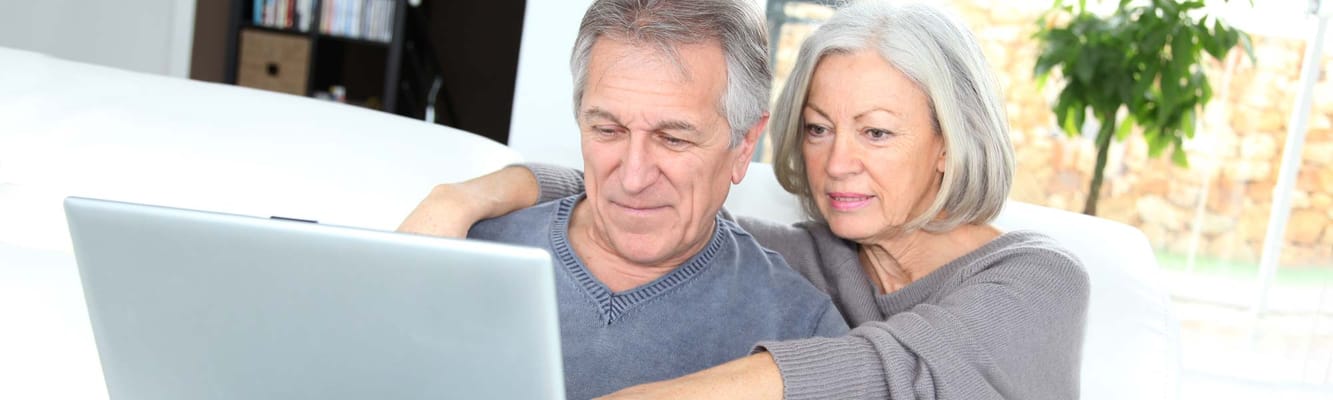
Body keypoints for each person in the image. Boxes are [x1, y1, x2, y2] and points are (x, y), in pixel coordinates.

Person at [402, 1, 1090, 399]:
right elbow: (659, 197)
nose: (836, 163)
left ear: (950, 141)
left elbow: (889, 372)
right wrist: (470, 196)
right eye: (817, 128)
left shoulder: (1035, 278)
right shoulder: (809, 254)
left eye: (877, 132)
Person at [401, 0, 848, 399]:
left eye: (673, 139)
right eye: (607, 130)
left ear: (745, 143)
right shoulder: (456, 245)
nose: (633, 178)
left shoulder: (802, 333)